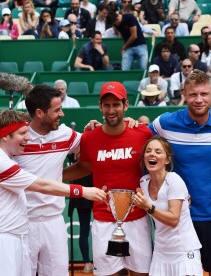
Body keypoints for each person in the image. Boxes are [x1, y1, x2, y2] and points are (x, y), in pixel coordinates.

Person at [0, 110, 105, 276]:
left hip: (17, 236)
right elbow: (42, 184)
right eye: (22, 133)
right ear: (4, 136)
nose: (28, 137)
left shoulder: (6, 159)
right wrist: (82, 191)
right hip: (0, 241)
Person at [149, 70, 211, 275]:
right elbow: (138, 135)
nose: (199, 99)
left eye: (204, 94)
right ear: (184, 94)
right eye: (193, 94)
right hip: (180, 217)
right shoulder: (165, 123)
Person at [63, 81, 153, 276]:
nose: (111, 110)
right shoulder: (89, 137)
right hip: (104, 220)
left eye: (116, 104)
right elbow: (84, 167)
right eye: (107, 105)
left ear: (126, 105)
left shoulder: (142, 133)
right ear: (100, 107)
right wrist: (52, 175)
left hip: (137, 218)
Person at [13, 84, 83, 276]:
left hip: (54, 223)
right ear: (39, 113)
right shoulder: (18, 138)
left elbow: (93, 146)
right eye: (57, 110)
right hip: (22, 223)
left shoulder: (66, 134)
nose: (62, 114)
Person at [134, 136, 203, 276]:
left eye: (158, 151)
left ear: (167, 160)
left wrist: (148, 207)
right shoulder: (144, 181)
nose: (152, 154)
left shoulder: (174, 181)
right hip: (161, 252)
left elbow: (173, 220)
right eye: (148, 151)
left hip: (184, 251)